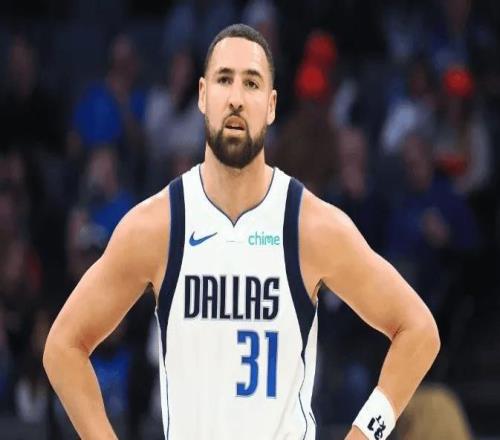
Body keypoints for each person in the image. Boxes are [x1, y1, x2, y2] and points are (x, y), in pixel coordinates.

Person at [43, 24, 440, 440]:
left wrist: (363, 436)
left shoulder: (310, 226)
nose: (236, 97)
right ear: (202, 95)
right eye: (224, 79)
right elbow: (63, 347)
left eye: (251, 83)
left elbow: (419, 331)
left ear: (271, 106)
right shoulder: (157, 225)